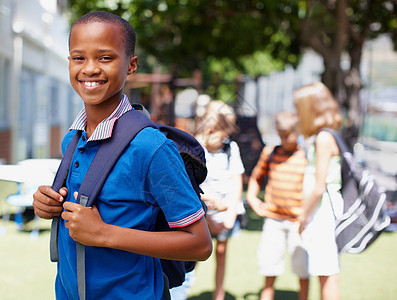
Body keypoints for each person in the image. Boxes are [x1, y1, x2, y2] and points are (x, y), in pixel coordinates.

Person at [32, 11, 212, 300]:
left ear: (131, 66)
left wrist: (103, 234)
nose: (89, 69)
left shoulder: (150, 148)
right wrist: (48, 206)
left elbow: (200, 244)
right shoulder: (72, 139)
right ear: (69, 63)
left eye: (105, 58)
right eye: (79, 58)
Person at [246, 111, 309, 300]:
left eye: (288, 135)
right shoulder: (271, 152)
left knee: (302, 267)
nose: (284, 139)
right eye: (281, 135)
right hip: (273, 219)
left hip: (298, 221)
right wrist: (252, 198)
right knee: (269, 264)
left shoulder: (305, 155)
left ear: (297, 132)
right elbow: (257, 177)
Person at [293, 82, 343, 300]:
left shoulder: (324, 138)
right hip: (319, 211)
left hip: (323, 213)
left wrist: (303, 215)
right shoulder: (322, 136)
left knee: (326, 273)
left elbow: (319, 185)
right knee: (323, 270)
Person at [194, 100, 245, 300]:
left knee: (222, 252)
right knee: (195, 254)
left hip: (224, 214)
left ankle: (219, 295)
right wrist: (208, 208)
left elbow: (237, 181)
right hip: (201, 212)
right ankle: (183, 290)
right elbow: (189, 187)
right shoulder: (195, 146)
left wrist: (231, 212)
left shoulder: (231, 148)